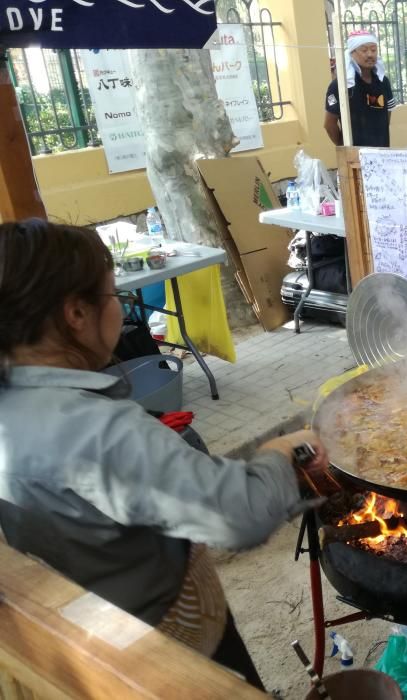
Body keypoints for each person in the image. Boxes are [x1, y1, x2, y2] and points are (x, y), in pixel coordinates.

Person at [0, 220, 332, 690]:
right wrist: (280, 452)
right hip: (159, 656)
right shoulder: (98, 431)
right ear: (76, 313)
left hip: (85, 635)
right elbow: (240, 515)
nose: (119, 308)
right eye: (113, 295)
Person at [324, 30, 397, 147]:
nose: (370, 54)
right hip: (354, 158)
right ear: (352, 53)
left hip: (381, 155)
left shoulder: (383, 82)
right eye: (364, 50)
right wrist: (343, 146)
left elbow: (386, 118)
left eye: (373, 50)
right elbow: (329, 124)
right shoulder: (339, 86)